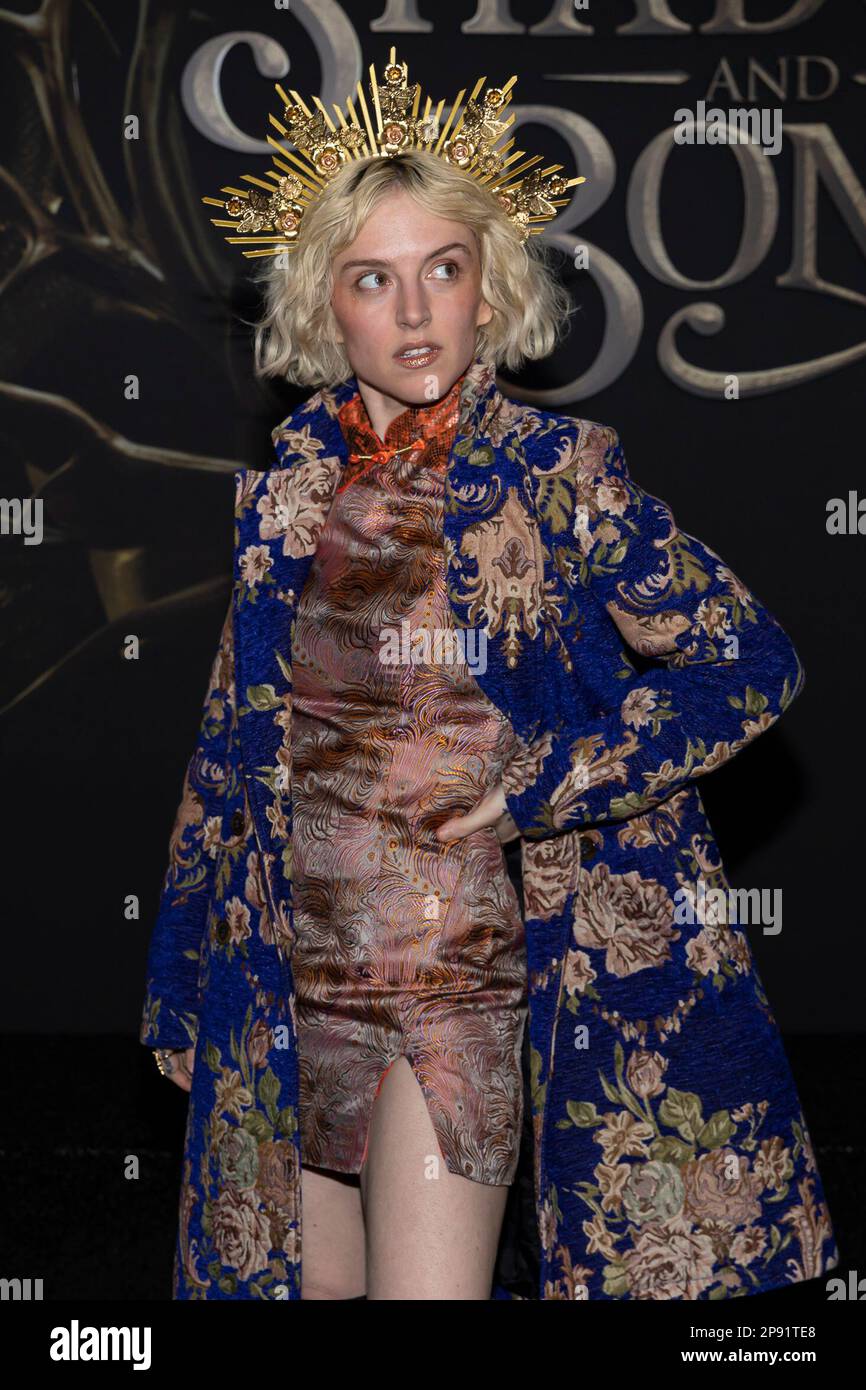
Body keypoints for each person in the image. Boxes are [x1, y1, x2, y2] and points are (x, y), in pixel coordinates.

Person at [141, 55, 838, 1302]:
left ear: (485, 288)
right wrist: (184, 981)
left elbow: (749, 658)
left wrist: (546, 784)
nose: (413, 312)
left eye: (441, 269)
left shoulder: (562, 473)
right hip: (289, 984)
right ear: (325, 308)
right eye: (373, 278)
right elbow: (228, 739)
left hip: (458, 973)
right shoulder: (286, 492)